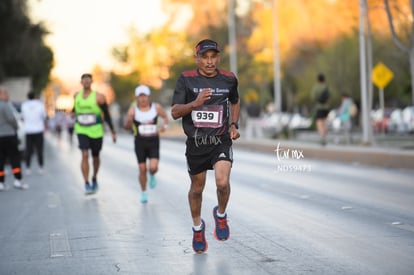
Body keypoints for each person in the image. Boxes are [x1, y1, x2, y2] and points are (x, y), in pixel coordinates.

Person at [171, 39, 241, 253]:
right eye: (205, 57)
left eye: (213, 57)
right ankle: (197, 228)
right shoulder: (186, 79)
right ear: (197, 59)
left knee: (222, 182)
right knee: (197, 188)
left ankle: (220, 215)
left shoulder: (229, 79)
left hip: (220, 140)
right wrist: (195, 103)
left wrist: (233, 124)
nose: (210, 62)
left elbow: (235, 101)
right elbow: (174, 112)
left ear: (218, 58)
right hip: (196, 142)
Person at [73, 73, 117, 194]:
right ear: (81, 83)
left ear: (92, 82)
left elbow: (107, 114)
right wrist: (72, 114)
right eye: (84, 81)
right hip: (82, 130)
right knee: (85, 154)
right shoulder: (76, 96)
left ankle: (94, 177)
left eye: (88, 80)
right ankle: (86, 183)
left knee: (95, 157)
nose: (86, 83)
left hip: (96, 131)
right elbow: (74, 109)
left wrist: (112, 131)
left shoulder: (99, 97)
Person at [124, 85, 169, 203]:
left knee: (153, 167)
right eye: (140, 96)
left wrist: (164, 126)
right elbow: (126, 127)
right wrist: (129, 120)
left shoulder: (156, 107)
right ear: (137, 98)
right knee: (142, 169)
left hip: (153, 141)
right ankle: (144, 192)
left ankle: (152, 174)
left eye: (145, 96)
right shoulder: (133, 110)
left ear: (148, 97)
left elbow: (165, 117)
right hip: (140, 142)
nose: (143, 99)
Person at [0, 86, 27, 190]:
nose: (7, 95)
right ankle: (18, 180)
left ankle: (1, 182)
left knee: (1, 160)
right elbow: (12, 119)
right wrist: (16, 127)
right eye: (5, 93)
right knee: (14, 158)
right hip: (9, 135)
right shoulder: (4, 105)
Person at [21, 91, 47, 174]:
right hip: (38, 130)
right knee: (39, 150)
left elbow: (23, 117)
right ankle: (41, 167)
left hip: (28, 130)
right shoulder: (40, 104)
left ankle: (28, 168)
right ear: (35, 96)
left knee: (28, 150)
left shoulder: (24, 105)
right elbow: (44, 116)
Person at [311, 73, 330, 146]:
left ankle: (322, 138)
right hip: (326, 107)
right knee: (324, 123)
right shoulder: (326, 87)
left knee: (319, 123)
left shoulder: (316, 87)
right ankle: (324, 136)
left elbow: (313, 97)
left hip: (319, 107)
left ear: (318, 79)